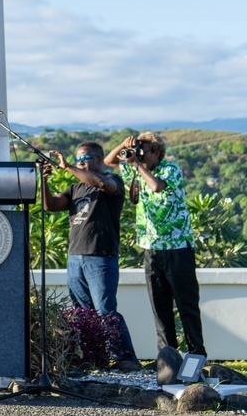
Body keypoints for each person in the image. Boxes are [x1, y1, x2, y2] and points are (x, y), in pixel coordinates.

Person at [40, 142, 141, 370]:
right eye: (78, 159)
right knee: (82, 312)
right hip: (75, 256)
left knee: (105, 310)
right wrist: (43, 182)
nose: (81, 162)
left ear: (99, 159)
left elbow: (100, 182)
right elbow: (51, 206)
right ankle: (93, 358)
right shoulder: (76, 188)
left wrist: (66, 167)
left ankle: (126, 358)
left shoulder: (113, 181)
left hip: (100, 256)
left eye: (86, 158)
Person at [105, 132, 207, 358]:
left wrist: (137, 164)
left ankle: (197, 355)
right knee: (160, 308)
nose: (139, 155)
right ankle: (168, 357)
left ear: (157, 152)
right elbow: (109, 162)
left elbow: (157, 186)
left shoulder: (170, 169)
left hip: (177, 248)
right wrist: (124, 145)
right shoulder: (136, 169)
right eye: (138, 150)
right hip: (151, 248)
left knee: (186, 305)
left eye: (144, 151)